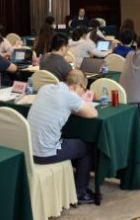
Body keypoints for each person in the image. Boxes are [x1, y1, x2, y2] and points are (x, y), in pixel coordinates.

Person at [28, 69, 98, 204]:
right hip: (45, 153)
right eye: (83, 89)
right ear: (77, 85)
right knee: (87, 147)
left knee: (71, 140)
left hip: (29, 148)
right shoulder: (70, 97)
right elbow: (93, 113)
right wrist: (80, 103)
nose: (83, 93)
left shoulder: (45, 88)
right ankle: (81, 192)